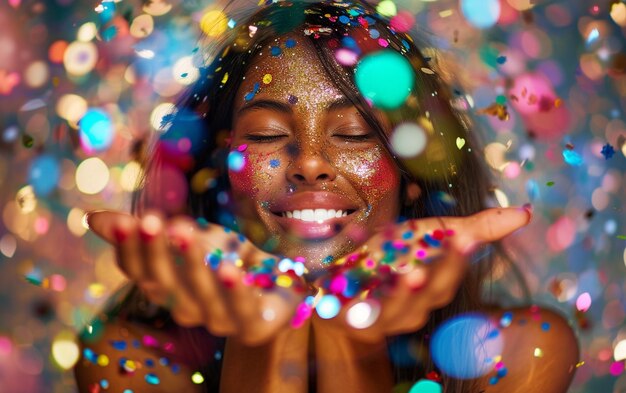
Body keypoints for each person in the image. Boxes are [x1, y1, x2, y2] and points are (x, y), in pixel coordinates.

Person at [74, 1, 579, 392]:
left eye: (355, 133)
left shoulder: (514, 352)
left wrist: (349, 331)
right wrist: (265, 334)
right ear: (220, 167)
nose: (310, 162)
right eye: (268, 134)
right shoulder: (130, 359)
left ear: (412, 173)